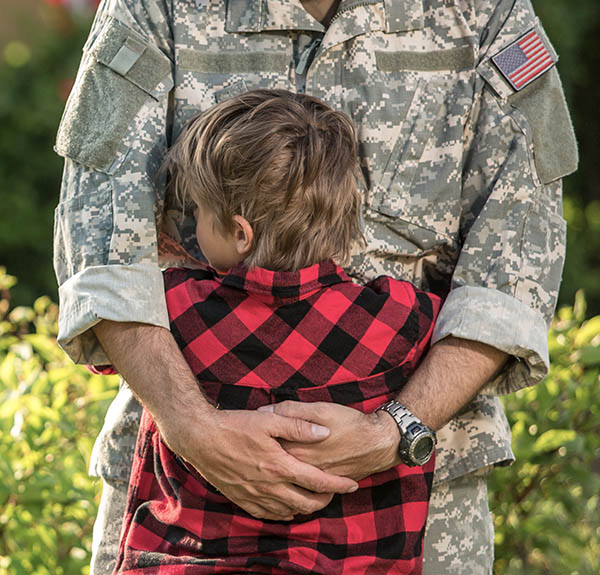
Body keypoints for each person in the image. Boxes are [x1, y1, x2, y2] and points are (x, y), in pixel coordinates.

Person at [52, 1, 577, 573]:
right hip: (184, 498)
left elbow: (513, 269)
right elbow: (101, 253)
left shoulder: (486, 11)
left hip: (419, 501)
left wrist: (396, 428)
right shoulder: (153, 7)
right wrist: (198, 430)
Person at [113, 88, 441, 574]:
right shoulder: (399, 318)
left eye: (199, 211)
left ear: (241, 234)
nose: (194, 225)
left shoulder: (174, 307)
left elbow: (112, 335)